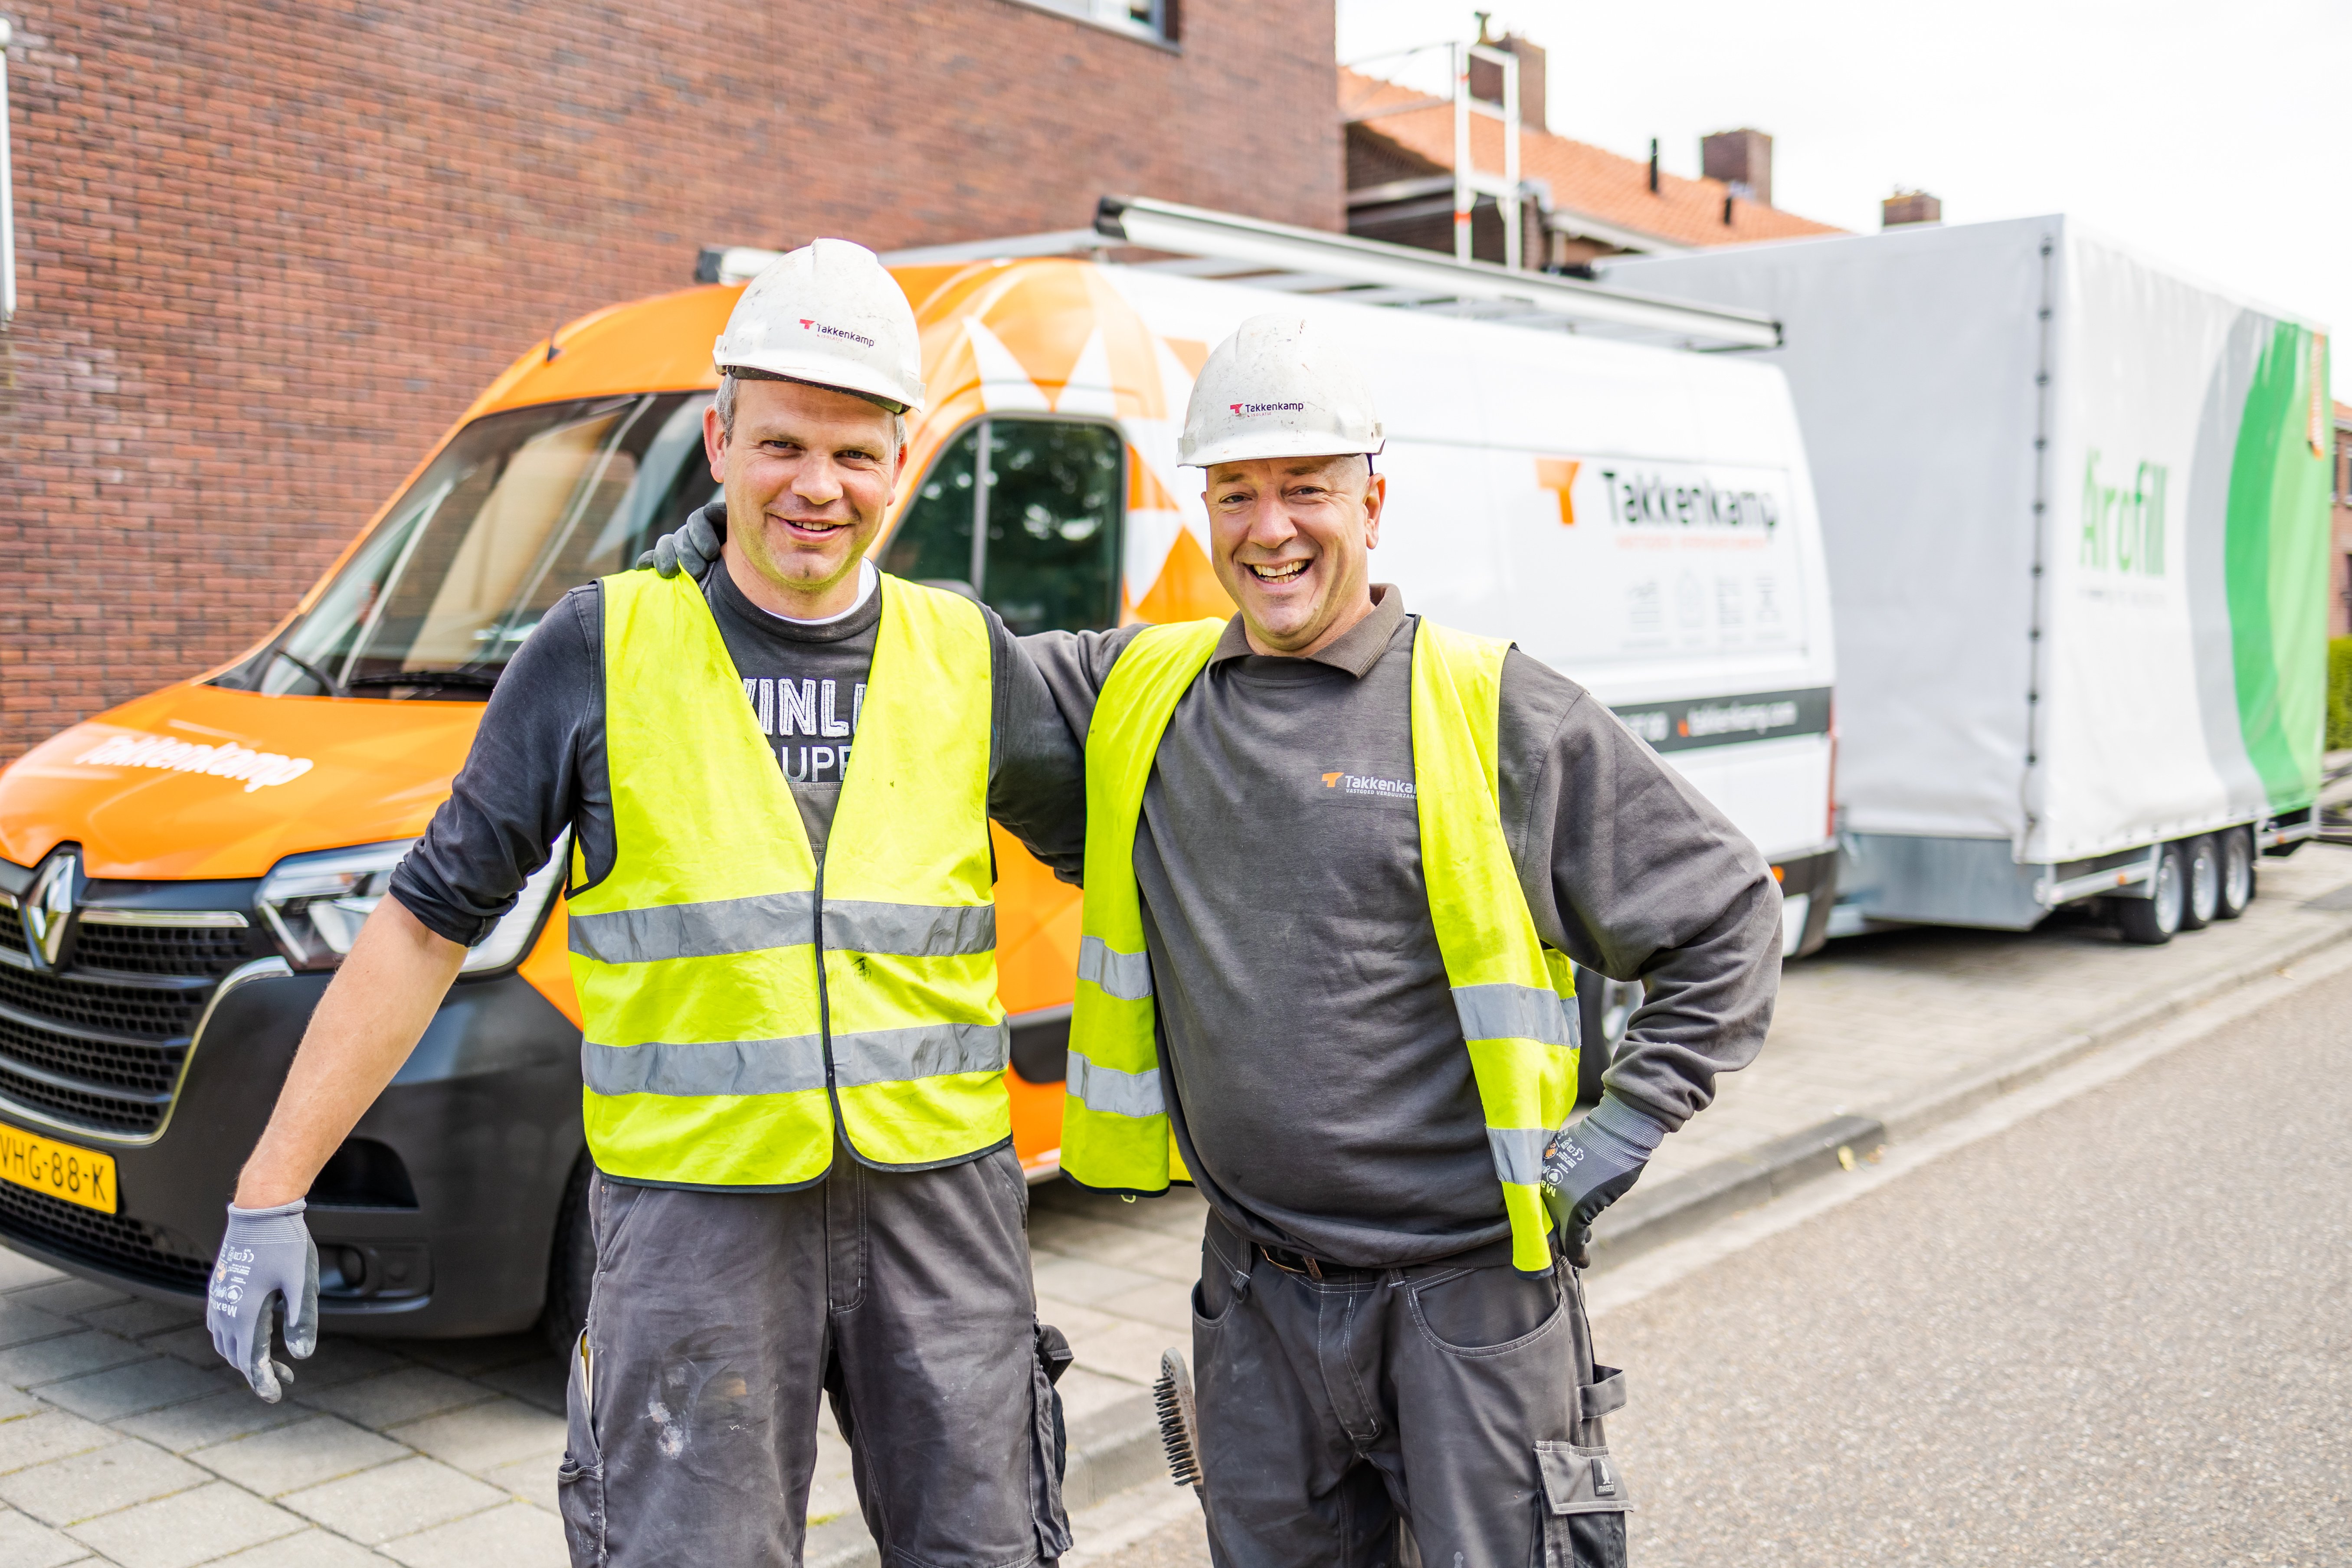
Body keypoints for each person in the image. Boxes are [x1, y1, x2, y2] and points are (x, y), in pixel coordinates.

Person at [205, 239, 1082, 1568]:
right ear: (721, 440)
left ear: (901, 463)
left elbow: (1164, 810)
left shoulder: (968, 655)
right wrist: (272, 1187)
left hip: (944, 1215)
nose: (817, 487)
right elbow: (425, 920)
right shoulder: (599, 650)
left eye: (855, 454)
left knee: (988, 1551)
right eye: (785, 445)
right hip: (697, 1233)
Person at [1028, 314, 1782, 1565]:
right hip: (1259, 1303)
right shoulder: (1142, 698)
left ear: (1373, 498)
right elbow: (939, 671)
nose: (1271, 528)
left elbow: (1726, 913)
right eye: (1239, 493)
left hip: (1468, 1307)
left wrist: (1624, 1129)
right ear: (1202, 508)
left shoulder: (1493, 709)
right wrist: (736, 551)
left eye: (1307, 490)